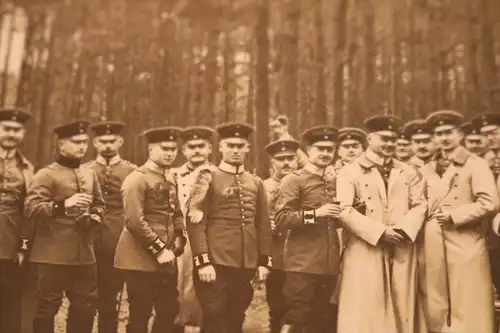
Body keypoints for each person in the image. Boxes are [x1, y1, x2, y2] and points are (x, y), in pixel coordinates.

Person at [336, 115, 427, 333]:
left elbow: (420, 204)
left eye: (393, 139)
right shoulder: (350, 171)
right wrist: (380, 232)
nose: (389, 144)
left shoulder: (407, 171)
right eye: (383, 138)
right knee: (367, 304)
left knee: (402, 302)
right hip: (366, 245)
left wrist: (404, 229)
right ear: (369, 138)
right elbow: (344, 209)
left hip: (401, 242)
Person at [186, 122, 272, 333]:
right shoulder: (207, 177)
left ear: (247, 149)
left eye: (240, 145)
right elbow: (195, 223)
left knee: (236, 317)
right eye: (230, 145)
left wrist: (263, 261)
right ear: (220, 148)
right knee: (214, 318)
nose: (235, 150)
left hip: (245, 263)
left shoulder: (255, 182)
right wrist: (203, 261)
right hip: (215, 262)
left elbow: (262, 224)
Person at [419, 110, 499, 333]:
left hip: (466, 241)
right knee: (437, 300)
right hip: (434, 241)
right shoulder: (426, 168)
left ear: (460, 134)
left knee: (469, 300)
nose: (444, 138)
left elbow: (489, 202)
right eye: (438, 134)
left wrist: (455, 216)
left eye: (449, 132)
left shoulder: (475, 164)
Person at [24, 119, 106, 333]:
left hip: (84, 255)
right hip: (52, 254)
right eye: (76, 142)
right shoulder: (46, 174)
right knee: (46, 308)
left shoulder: (89, 174)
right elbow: (31, 208)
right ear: (61, 145)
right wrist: (62, 205)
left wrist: (96, 216)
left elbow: (99, 203)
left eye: (85, 142)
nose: (82, 147)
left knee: (86, 306)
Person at [114, 126, 186, 333]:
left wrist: (180, 236)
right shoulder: (137, 179)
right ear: (152, 149)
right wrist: (160, 249)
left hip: (167, 257)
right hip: (140, 258)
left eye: (173, 148)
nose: (170, 153)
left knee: (169, 311)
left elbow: (176, 212)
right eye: (165, 148)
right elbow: (134, 221)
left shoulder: (170, 177)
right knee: (140, 313)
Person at [274, 126, 341, 333]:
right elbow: (281, 219)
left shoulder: (335, 180)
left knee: (322, 318)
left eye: (329, 149)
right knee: (296, 316)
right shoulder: (294, 180)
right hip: (301, 263)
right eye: (320, 148)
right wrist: (315, 214)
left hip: (329, 264)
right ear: (308, 150)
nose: (325, 154)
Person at [84, 120, 137, 333]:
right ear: (95, 143)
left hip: (120, 242)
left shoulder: (132, 171)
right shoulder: (84, 170)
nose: (107, 146)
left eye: (112, 141)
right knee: (86, 298)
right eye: (102, 141)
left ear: (120, 142)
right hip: (88, 243)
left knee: (111, 298)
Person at [172, 126, 217, 333]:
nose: (197, 150)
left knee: (200, 290)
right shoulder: (173, 175)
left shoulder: (218, 175)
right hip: (177, 240)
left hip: (207, 241)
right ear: (184, 151)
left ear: (210, 149)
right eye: (192, 147)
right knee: (175, 289)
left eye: (202, 146)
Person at [0, 108, 34, 333]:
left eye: (17, 130)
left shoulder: (28, 169)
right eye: (6, 129)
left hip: (9, 245)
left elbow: (28, 212)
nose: (11, 134)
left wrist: (23, 246)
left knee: (9, 303)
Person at [263, 139, 300, 333]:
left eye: (290, 158)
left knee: (300, 307)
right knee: (277, 306)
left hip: (301, 254)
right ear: (272, 162)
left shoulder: (304, 182)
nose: (286, 163)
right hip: (276, 254)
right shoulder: (263, 186)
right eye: (280, 159)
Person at [471, 112, 500, 303]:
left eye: (494, 132)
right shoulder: (482, 162)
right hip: (490, 229)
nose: (489, 138)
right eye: (485, 134)